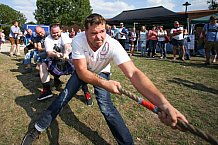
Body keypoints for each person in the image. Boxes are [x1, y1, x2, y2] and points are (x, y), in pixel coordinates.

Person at [21, 13, 188, 145]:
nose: (99, 37)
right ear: (85, 32)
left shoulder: (113, 44)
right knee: (63, 98)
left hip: (102, 72)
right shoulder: (78, 40)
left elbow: (134, 73)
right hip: (84, 71)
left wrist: (163, 103)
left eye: (102, 32)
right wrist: (104, 83)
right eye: (93, 33)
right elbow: (82, 72)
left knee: (107, 108)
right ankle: (38, 128)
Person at [37, 23, 93, 104]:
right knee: (43, 65)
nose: (56, 34)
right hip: (55, 59)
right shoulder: (47, 39)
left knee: (79, 72)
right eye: (53, 33)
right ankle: (47, 91)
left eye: (57, 32)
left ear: (60, 30)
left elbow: (67, 45)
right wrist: (56, 54)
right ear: (50, 32)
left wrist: (66, 53)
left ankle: (86, 92)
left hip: (68, 58)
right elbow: (49, 52)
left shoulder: (64, 36)